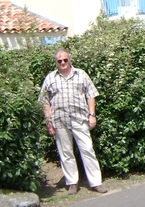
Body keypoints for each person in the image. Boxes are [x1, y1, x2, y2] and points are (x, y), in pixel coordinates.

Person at [39, 49, 108, 195]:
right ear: (56, 63)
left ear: (69, 60)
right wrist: (48, 122)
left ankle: (96, 183)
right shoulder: (50, 78)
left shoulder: (81, 74)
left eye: (65, 60)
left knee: (87, 150)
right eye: (59, 61)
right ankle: (72, 183)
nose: (63, 63)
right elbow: (45, 102)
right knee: (66, 153)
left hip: (80, 119)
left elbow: (91, 95)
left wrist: (92, 115)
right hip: (59, 121)